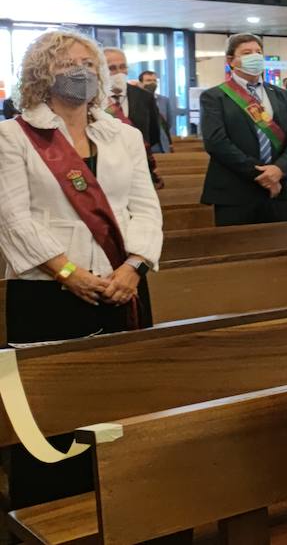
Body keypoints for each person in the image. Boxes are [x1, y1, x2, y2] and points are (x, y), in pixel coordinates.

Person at [0, 30, 161, 509]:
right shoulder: (13, 135)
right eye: (69, 64)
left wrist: (134, 266)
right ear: (42, 73)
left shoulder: (123, 134)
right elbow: (11, 215)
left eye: (90, 65)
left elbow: (145, 208)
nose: (83, 72)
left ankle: (122, 500)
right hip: (47, 289)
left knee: (120, 397)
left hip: (121, 283)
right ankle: (50, 508)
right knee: (52, 407)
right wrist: (67, 271)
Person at [199, 34, 287, 226]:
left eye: (258, 52)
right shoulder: (215, 97)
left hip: (278, 189)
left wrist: (279, 169)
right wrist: (263, 176)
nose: (255, 57)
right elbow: (216, 142)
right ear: (231, 61)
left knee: (281, 251)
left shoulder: (281, 95)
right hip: (235, 192)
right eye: (247, 53)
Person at [102, 48, 161, 186]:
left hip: (139, 167)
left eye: (123, 67)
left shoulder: (144, 97)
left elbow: (153, 134)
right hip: (107, 169)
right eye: (112, 68)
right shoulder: (94, 99)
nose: (119, 72)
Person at [136, 70, 173, 153]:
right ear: (141, 83)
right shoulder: (135, 101)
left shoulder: (164, 100)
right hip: (142, 145)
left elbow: (169, 123)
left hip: (161, 145)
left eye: (154, 80)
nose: (152, 83)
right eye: (148, 80)